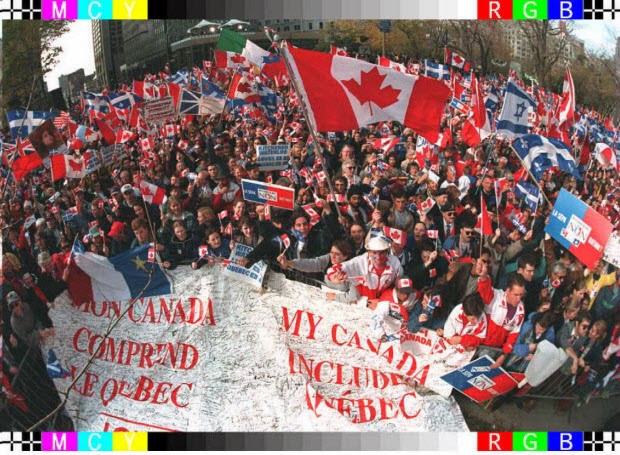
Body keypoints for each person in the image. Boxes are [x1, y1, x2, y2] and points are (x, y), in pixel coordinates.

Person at [326, 234, 403, 306]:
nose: (378, 257)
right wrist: (332, 275)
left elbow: (398, 288)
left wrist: (383, 301)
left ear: (387, 252)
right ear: (368, 252)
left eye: (382, 253)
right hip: (363, 304)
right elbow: (339, 267)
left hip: (384, 303)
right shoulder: (360, 262)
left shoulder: (395, 263)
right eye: (374, 252)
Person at [477, 263, 527, 368]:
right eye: (516, 294)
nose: (518, 299)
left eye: (521, 295)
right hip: (477, 344)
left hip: (494, 351)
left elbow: (514, 334)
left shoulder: (521, 310)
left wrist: (504, 355)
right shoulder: (496, 297)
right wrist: (483, 276)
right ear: (508, 290)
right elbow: (485, 291)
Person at [278, 239, 358, 303]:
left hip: (344, 303)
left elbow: (354, 295)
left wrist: (335, 297)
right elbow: (311, 264)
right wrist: (289, 263)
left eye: (337, 254)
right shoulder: (328, 259)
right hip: (327, 297)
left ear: (345, 256)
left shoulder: (353, 269)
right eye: (331, 252)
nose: (332, 256)